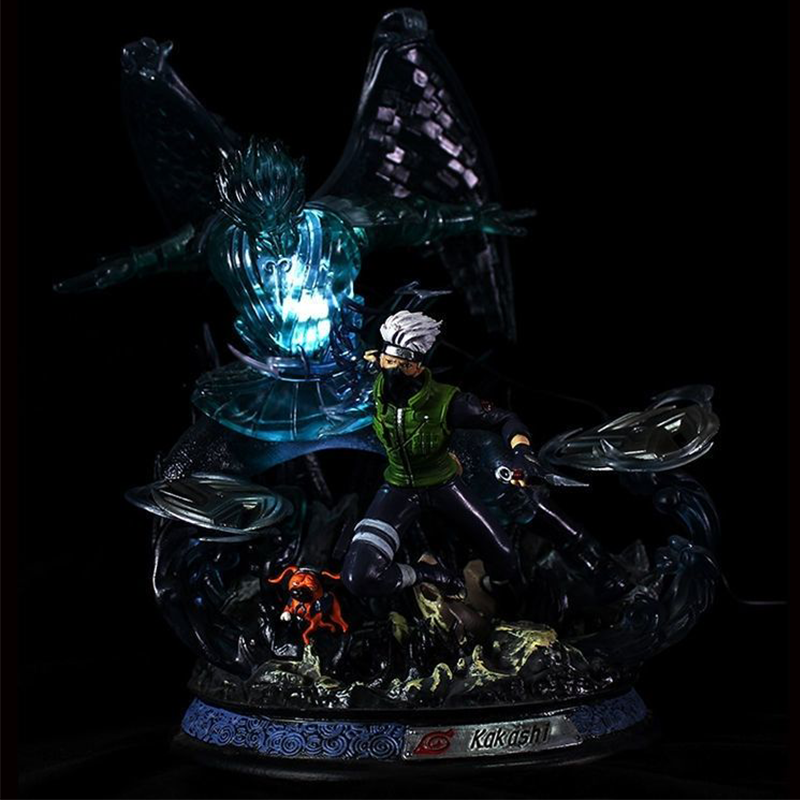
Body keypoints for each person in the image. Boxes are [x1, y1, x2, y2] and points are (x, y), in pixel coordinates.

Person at [342, 310, 541, 602]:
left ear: (417, 367)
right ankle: (430, 574)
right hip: (398, 487)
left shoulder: (449, 402)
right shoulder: (375, 386)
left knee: (504, 555)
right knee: (359, 575)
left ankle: (496, 594)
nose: (392, 372)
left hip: (442, 482)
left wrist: (523, 453)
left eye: (402, 365)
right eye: (388, 362)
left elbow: (504, 418)